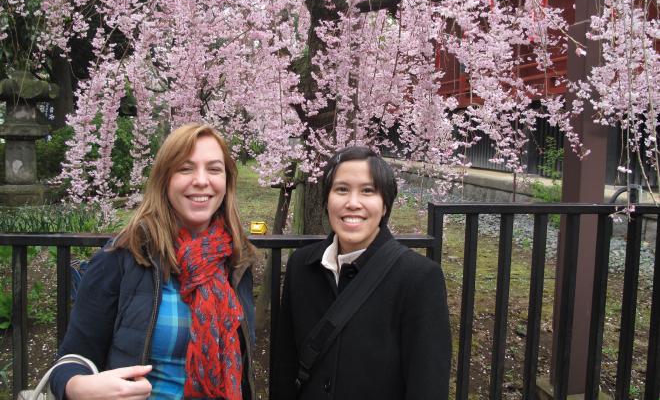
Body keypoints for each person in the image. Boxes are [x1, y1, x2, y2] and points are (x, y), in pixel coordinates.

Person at [50, 123, 257, 400]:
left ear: (227, 181)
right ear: (165, 179)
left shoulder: (235, 261)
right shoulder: (122, 256)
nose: (201, 180)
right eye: (185, 168)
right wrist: (79, 387)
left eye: (214, 169)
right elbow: (71, 360)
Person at [271, 146, 451, 400]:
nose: (352, 203)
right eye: (341, 189)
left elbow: (427, 384)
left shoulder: (418, 278)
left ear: (385, 205)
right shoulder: (301, 266)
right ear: (326, 200)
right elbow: (285, 366)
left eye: (368, 191)